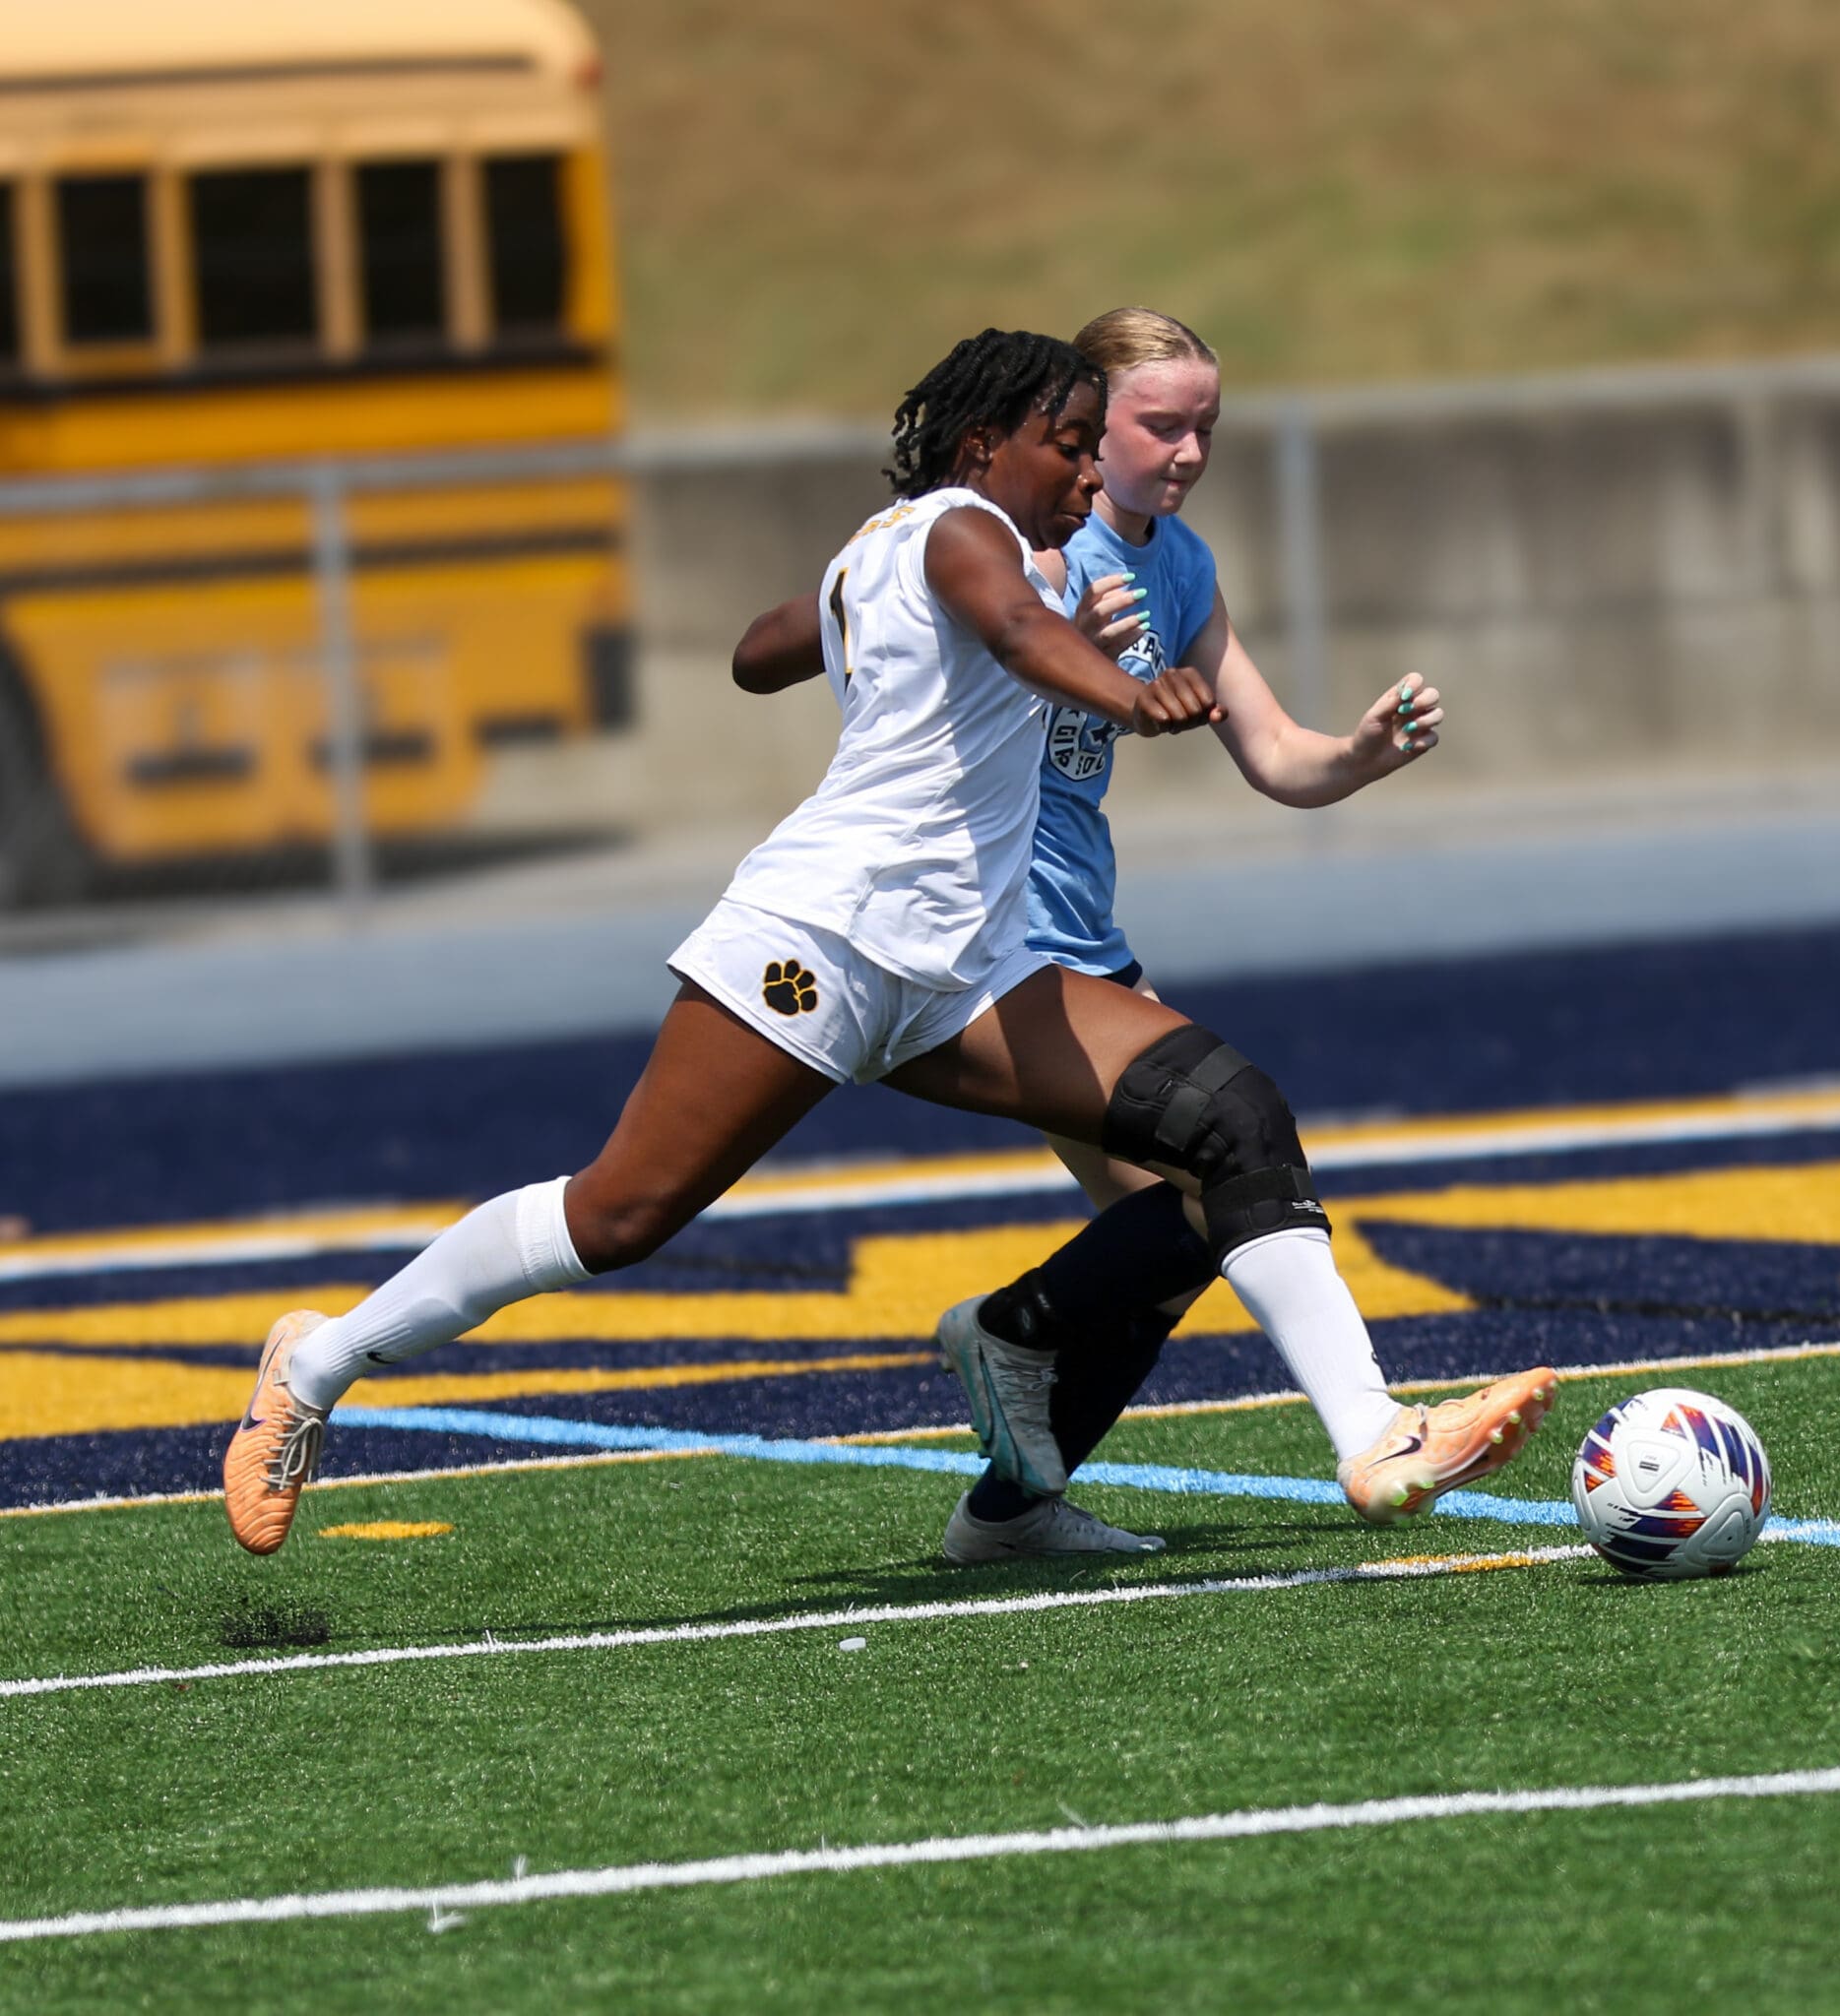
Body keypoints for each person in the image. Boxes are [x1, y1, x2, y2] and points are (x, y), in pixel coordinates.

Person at [225, 327, 1551, 1562]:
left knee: (1229, 1115)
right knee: (617, 1214)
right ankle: (318, 1362)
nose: (1090, 474)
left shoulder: (917, 542)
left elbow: (756, 655)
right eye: (1069, 446)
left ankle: (1372, 1434)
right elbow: (1015, 629)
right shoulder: (964, 530)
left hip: (960, 974)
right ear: (982, 446)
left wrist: (856, 596)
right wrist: (1126, 688)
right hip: (820, 940)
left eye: (1094, 449)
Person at [734, 309, 1539, 1566]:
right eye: (1160, 424)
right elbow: (883, 640)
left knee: (1184, 1229)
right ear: (1078, 426)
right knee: (1219, 1169)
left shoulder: (1181, 565)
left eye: (1206, 425)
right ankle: (1347, 1426)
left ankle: (1009, 1493)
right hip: (995, 944)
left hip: (1085, 941)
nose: (1189, 450)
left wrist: (1359, 754)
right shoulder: (1015, 546)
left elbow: (1277, 754)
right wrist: (1063, 649)